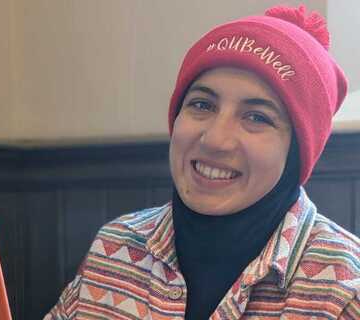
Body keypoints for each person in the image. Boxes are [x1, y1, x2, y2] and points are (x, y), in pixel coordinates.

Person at [45, 5, 360, 319]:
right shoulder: (115, 248)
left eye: (256, 117)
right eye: (202, 104)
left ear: (297, 151)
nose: (214, 140)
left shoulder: (345, 290)